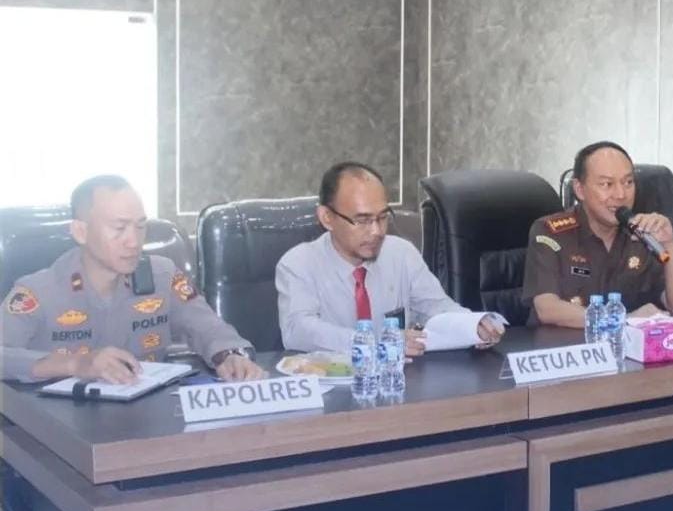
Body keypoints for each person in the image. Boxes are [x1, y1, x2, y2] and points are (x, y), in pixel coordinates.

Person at [1, 175, 265, 384]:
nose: (133, 241)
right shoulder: (38, 292)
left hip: (146, 420)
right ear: (81, 232)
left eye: (140, 227)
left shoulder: (162, 277)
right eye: (119, 228)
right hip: (59, 427)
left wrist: (230, 356)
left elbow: (208, 328)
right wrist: (76, 364)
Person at [276, 162, 504, 355]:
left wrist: (473, 325)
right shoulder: (299, 263)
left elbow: (435, 306)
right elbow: (298, 331)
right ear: (327, 217)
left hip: (398, 381)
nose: (376, 231)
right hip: (334, 385)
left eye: (383, 217)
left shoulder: (401, 253)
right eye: (362, 220)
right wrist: (376, 342)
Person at [522, 141, 673, 327]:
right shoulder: (550, 232)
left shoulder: (644, 234)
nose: (620, 194)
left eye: (628, 182)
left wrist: (670, 244)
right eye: (606, 184)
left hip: (630, 345)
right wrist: (624, 320)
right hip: (565, 344)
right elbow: (547, 308)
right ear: (580, 189)